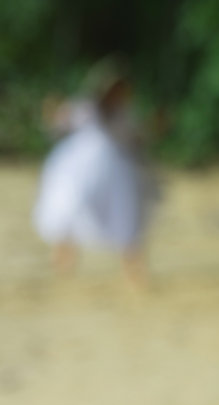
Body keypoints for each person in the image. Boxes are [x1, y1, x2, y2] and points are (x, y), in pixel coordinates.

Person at [34, 60, 157, 285]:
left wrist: (153, 129)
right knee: (69, 208)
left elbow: (135, 140)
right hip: (78, 171)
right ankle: (62, 261)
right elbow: (58, 126)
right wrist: (51, 114)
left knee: (125, 215)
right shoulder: (83, 108)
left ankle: (134, 270)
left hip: (115, 175)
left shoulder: (124, 114)